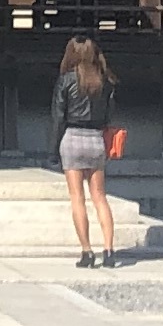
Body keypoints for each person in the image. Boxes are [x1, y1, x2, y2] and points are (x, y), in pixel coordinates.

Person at [53, 34, 121, 268]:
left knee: (77, 198)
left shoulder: (66, 80)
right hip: (95, 138)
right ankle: (109, 250)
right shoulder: (105, 81)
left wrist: (53, 148)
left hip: (72, 137)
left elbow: (58, 116)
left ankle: (86, 251)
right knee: (100, 197)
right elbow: (110, 114)